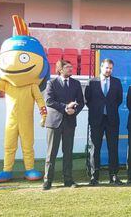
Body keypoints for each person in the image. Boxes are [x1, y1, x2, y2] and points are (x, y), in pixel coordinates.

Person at [43, 59, 84, 190]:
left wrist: (74, 111)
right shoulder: (52, 83)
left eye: (71, 67)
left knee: (68, 153)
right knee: (51, 153)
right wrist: (65, 107)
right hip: (54, 122)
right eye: (68, 67)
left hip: (70, 122)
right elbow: (49, 101)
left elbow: (81, 102)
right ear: (60, 69)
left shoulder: (76, 84)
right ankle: (47, 181)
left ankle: (68, 180)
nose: (71, 69)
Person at [85, 58, 123, 185]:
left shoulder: (117, 82)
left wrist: (109, 110)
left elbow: (119, 100)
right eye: (106, 68)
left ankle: (113, 175)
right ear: (101, 67)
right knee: (95, 148)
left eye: (111, 68)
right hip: (96, 120)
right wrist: (99, 110)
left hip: (112, 120)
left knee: (113, 147)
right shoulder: (92, 82)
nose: (108, 70)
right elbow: (88, 100)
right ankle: (94, 176)